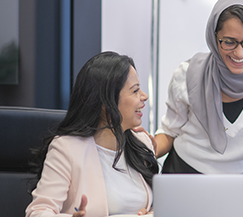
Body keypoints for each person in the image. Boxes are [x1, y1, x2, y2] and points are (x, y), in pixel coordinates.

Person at [154, 0, 243, 184]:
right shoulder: (188, 73)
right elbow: (169, 131)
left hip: (239, 183)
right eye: (229, 42)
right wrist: (142, 148)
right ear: (214, 38)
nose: (240, 52)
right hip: (182, 174)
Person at [26, 51, 159, 217]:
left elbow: (156, 205)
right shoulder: (66, 148)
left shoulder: (142, 143)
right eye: (135, 91)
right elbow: (38, 212)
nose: (144, 96)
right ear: (105, 101)